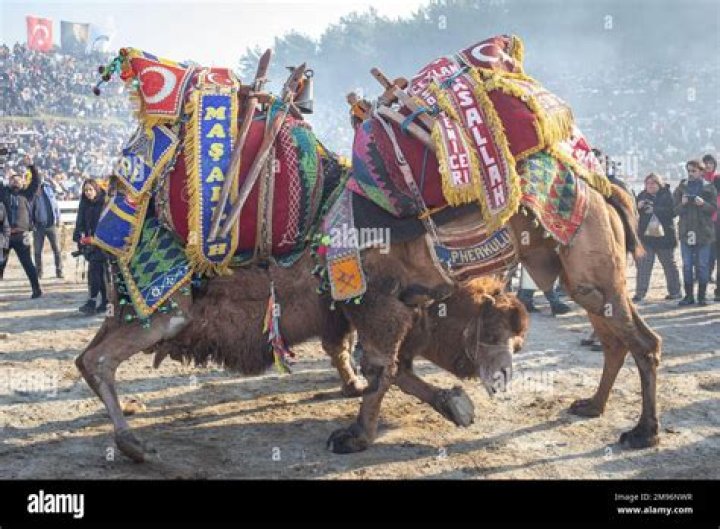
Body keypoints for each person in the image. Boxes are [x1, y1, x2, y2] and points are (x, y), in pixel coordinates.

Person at [673, 160, 717, 306]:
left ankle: (702, 297)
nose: (691, 174)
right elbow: (673, 211)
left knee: (703, 265)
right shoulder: (681, 188)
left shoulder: (709, 188)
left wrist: (703, 204)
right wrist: (683, 204)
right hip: (686, 232)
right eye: (689, 171)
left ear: (701, 172)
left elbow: (713, 210)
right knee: (687, 265)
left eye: (694, 171)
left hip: (704, 233)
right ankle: (689, 296)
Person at [633, 173, 682, 302]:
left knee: (669, 265)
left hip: (665, 238)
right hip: (646, 238)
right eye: (647, 183)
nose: (650, 186)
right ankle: (640, 293)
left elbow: (673, 212)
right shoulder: (642, 196)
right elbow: (633, 214)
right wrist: (638, 207)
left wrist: (655, 209)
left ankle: (675, 292)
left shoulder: (667, 195)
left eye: (653, 183)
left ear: (659, 184)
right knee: (643, 266)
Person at [0, 155, 42, 298]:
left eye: (18, 179)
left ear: (23, 182)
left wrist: (31, 166)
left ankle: (37, 290)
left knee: (28, 264)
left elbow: (36, 181)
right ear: (9, 182)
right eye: (13, 179)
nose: (15, 181)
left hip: (22, 235)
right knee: (1, 263)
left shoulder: (27, 194)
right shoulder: (3, 193)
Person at [72, 179, 108, 315]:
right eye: (85, 190)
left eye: (90, 190)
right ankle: (105, 302)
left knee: (94, 272)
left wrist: (97, 239)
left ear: (96, 189)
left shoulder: (104, 203)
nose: (88, 193)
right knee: (99, 273)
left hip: (103, 243)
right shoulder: (84, 204)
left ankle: (92, 301)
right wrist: (79, 238)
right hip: (89, 243)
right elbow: (79, 222)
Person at [33, 176, 64, 278]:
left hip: (51, 224)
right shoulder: (31, 193)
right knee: (37, 251)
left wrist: (58, 218)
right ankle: (39, 272)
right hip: (38, 226)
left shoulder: (49, 189)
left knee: (57, 249)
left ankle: (59, 271)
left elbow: (55, 205)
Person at [702, 153, 720, 299]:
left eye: (710, 163)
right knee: (707, 255)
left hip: (717, 221)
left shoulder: (717, 179)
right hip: (703, 223)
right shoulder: (698, 181)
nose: (708, 166)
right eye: (705, 163)